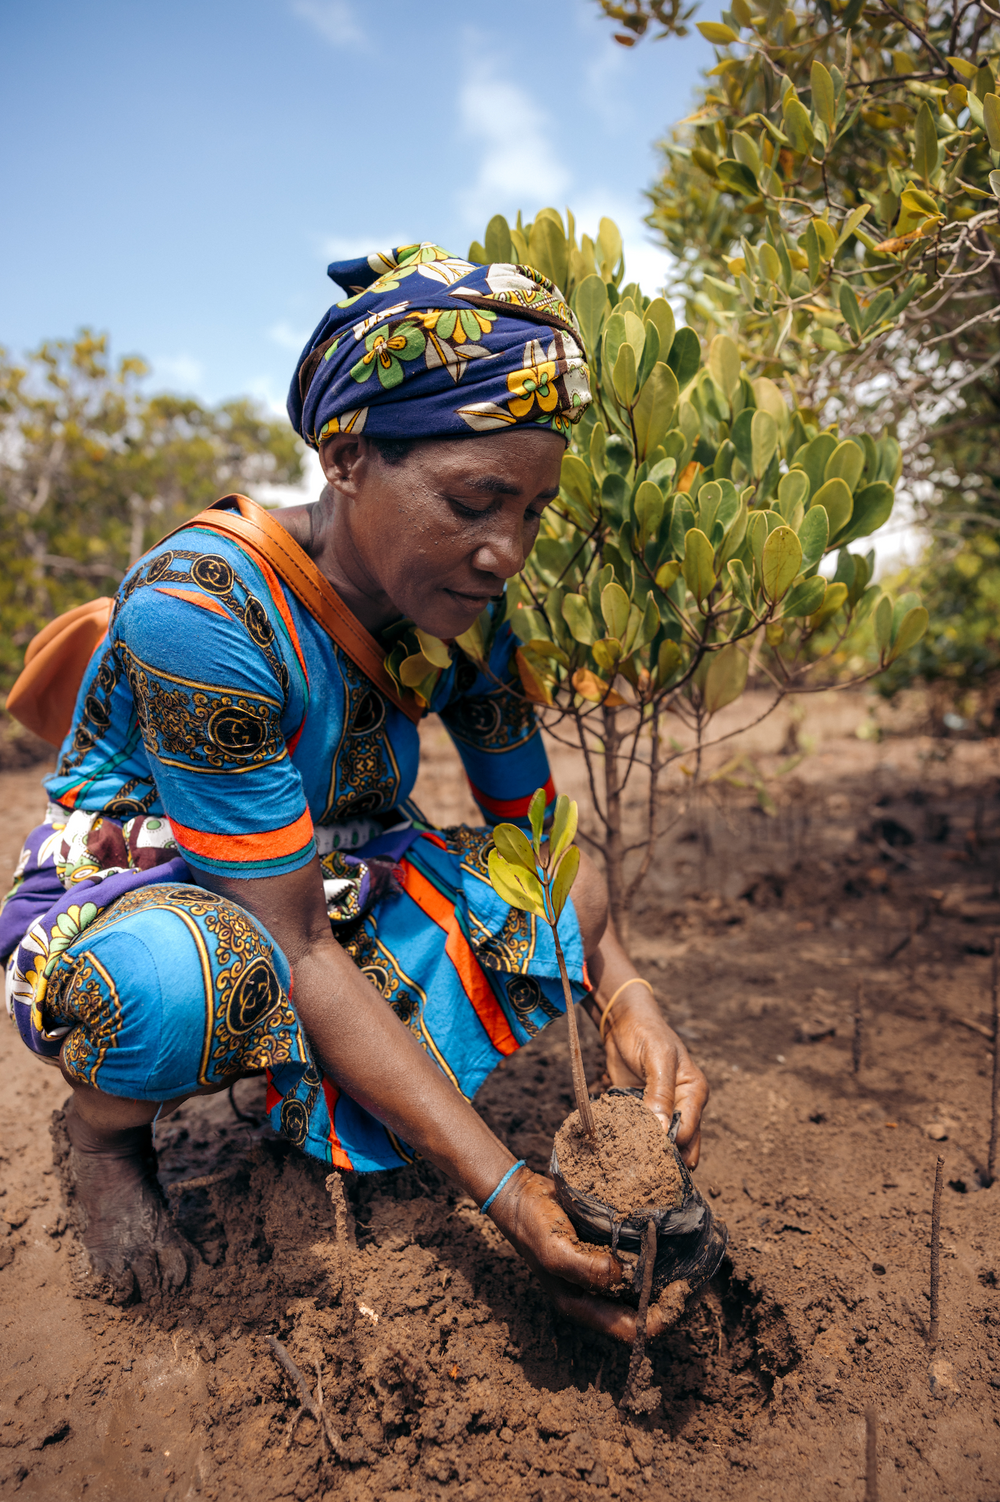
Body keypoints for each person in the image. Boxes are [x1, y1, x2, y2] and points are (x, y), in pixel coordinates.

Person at [1, 243, 708, 1342]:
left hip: (331, 882)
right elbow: (291, 943)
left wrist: (625, 994)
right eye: (475, 500)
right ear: (344, 456)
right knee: (190, 981)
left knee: (575, 899)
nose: (504, 551)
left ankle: (313, 1089)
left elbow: (537, 835)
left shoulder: (467, 613)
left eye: (531, 511)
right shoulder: (200, 609)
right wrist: (508, 1192)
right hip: (165, 896)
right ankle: (106, 1133)